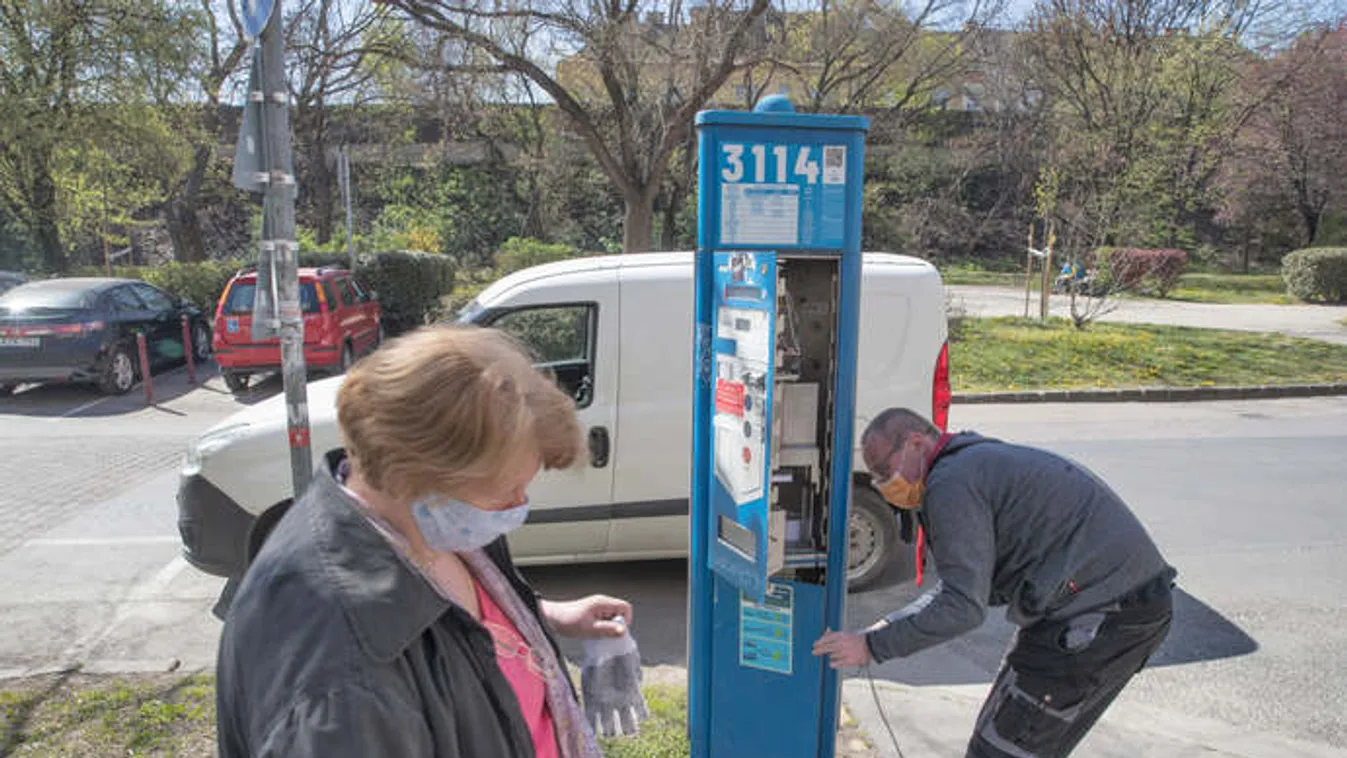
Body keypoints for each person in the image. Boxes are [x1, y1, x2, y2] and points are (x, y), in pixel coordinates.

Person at [216, 325, 630, 758]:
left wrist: (546, 616)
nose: (518, 505)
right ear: (415, 475)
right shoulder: (342, 684)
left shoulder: (427, 526)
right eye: (506, 489)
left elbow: (448, 625)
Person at [813, 407, 1176, 758]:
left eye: (882, 469)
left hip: (1104, 612)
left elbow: (962, 608)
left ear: (916, 443)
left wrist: (874, 646)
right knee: (1011, 735)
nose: (881, 484)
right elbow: (965, 588)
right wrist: (886, 628)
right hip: (1103, 602)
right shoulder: (969, 463)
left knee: (1005, 746)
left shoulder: (951, 482)